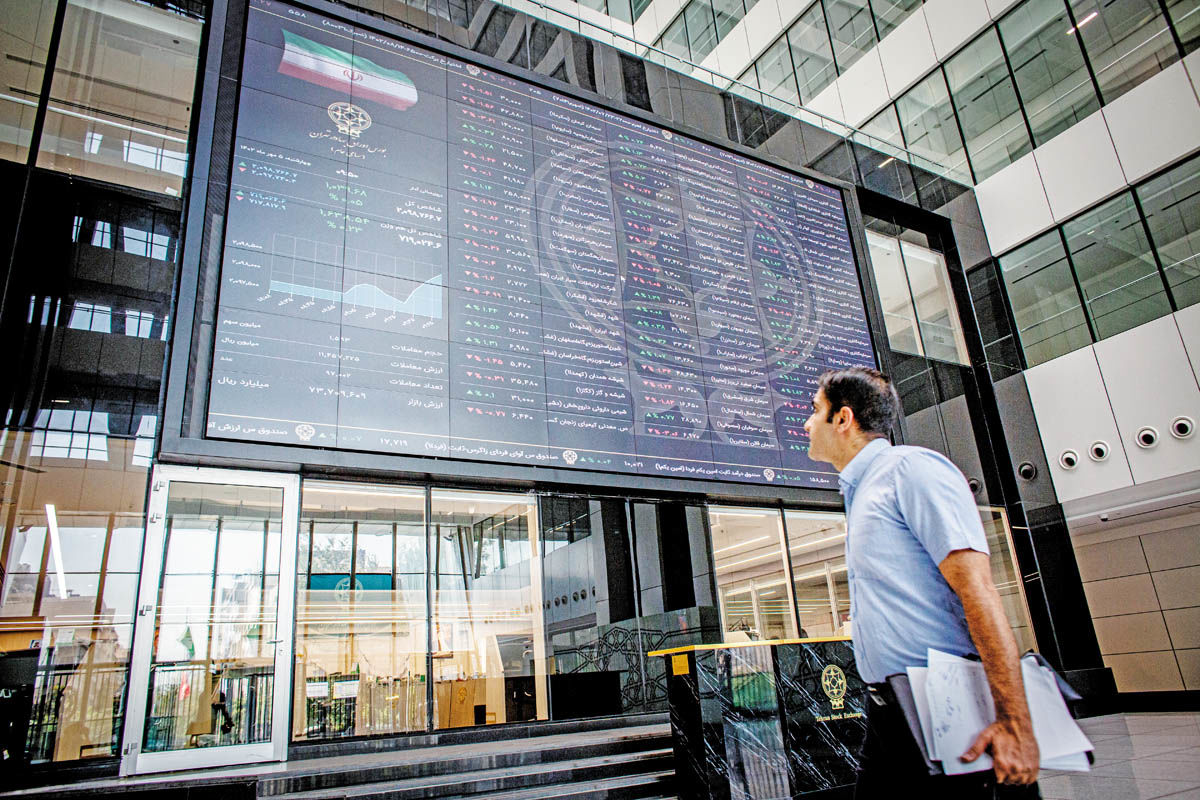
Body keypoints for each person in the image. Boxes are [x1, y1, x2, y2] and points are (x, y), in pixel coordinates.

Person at [803, 366, 1040, 798]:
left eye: (815, 410)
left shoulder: (910, 471)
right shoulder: (861, 490)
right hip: (890, 709)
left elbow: (978, 590)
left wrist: (1015, 722)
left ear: (843, 418)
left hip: (949, 703)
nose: (807, 423)